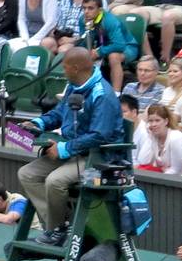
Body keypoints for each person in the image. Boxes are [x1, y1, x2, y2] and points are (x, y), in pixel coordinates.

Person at [19, 47, 122, 245]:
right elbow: (59, 114)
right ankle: (60, 226)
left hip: (99, 159)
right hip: (72, 152)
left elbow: (100, 136)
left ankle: (57, 229)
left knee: (54, 181)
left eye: (65, 67)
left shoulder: (102, 94)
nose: (63, 71)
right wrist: (38, 123)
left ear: (75, 68)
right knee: (27, 174)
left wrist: (64, 149)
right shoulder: (73, 86)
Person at [80, 0, 137, 90]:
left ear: (100, 9)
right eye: (84, 8)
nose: (86, 12)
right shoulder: (82, 20)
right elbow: (83, 42)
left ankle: (116, 93)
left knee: (113, 56)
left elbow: (119, 45)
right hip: (103, 47)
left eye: (90, 8)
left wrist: (99, 52)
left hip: (127, 47)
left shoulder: (110, 21)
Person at [134, 101, 182, 172]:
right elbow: (143, 161)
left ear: (166, 121)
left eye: (157, 120)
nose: (153, 124)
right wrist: (150, 137)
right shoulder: (154, 137)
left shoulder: (175, 138)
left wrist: (162, 173)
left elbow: (177, 170)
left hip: (181, 179)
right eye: (150, 121)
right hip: (164, 177)